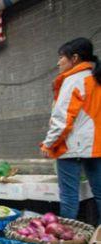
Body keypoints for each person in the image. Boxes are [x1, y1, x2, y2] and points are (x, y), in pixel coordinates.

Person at [40, 38, 101, 224]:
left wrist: (48, 144)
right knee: (99, 193)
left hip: (71, 147)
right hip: (96, 146)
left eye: (61, 58)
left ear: (74, 58)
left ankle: (68, 242)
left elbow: (62, 119)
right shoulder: (96, 78)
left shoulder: (74, 80)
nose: (58, 62)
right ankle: (97, 239)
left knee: (69, 199)